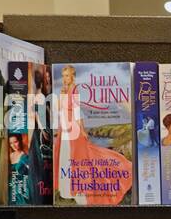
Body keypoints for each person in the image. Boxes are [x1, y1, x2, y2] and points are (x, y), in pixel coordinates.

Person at [54, 64, 132, 205]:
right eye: (63, 75)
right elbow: (60, 109)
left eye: (67, 75)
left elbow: (78, 113)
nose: (64, 78)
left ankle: (79, 190)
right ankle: (66, 190)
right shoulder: (64, 90)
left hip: (74, 128)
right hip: (64, 127)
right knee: (65, 156)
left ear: (73, 76)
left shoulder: (75, 90)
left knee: (78, 157)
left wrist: (82, 130)